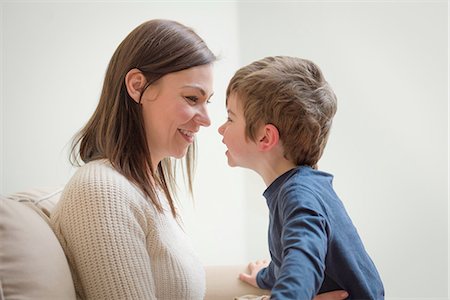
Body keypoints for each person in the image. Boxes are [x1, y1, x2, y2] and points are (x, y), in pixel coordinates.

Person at [49, 20, 350, 300]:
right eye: (192, 98)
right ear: (137, 86)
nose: (207, 120)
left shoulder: (146, 188)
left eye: (207, 102)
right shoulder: (103, 191)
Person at [218, 56, 385, 299]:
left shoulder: (298, 195)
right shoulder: (299, 187)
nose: (221, 128)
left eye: (230, 118)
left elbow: (304, 261)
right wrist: (265, 277)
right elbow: (292, 253)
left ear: (265, 138)